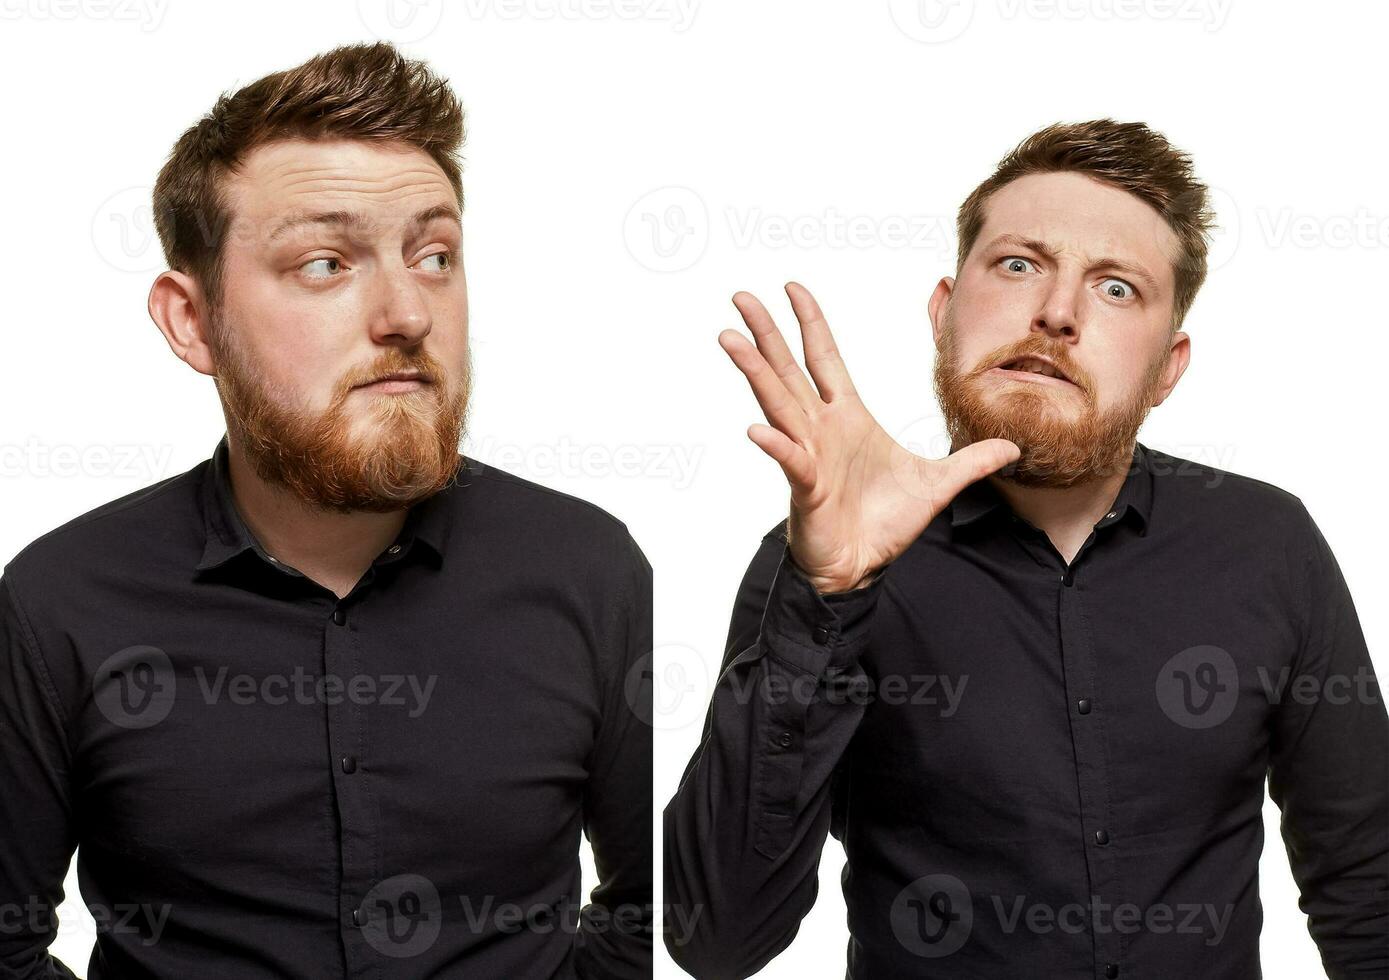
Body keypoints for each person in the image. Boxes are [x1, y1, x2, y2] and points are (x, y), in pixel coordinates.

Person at [663, 118, 1387, 979]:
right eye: (1017, 264)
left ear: (1167, 367)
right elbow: (714, 941)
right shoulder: (820, 564)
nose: (1055, 312)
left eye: (1116, 288)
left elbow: (1367, 890)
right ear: (943, 313)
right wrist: (828, 598)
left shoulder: (1267, 543)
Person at [0, 41, 651, 979]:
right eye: (322, 263)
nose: (406, 313)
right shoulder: (58, 600)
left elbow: (653, 914)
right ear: (193, 322)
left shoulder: (592, 570)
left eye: (433, 256)